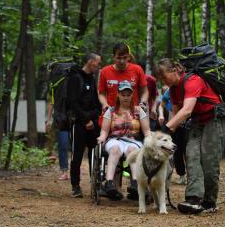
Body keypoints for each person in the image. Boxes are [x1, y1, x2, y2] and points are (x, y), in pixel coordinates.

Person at [155, 58, 225, 214]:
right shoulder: (174, 89)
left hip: (215, 119)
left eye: (164, 76)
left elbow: (187, 110)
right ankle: (193, 199)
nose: (163, 81)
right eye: (160, 79)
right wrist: (169, 138)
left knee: (208, 160)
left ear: (174, 70)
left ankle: (209, 202)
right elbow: (176, 113)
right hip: (196, 122)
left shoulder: (193, 80)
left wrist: (166, 128)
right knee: (192, 154)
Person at [97, 80, 151, 200]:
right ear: (118, 94)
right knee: (115, 149)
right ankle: (109, 182)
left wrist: (149, 139)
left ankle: (135, 183)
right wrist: (102, 137)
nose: (126, 97)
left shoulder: (139, 111)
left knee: (132, 150)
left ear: (132, 95)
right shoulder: (110, 111)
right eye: (123, 94)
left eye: (128, 95)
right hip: (114, 139)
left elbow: (146, 131)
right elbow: (105, 131)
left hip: (133, 140)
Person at [67, 52, 102, 198]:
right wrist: (85, 120)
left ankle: (95, 183)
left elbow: (96, 102)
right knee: (77, 154)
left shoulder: (93, 79)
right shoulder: (75, 78)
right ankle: (75, 185)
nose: (98, 66)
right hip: (79, 124)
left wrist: (93, 119)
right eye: (97, 63)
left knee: (96, 154)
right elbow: (73, 102)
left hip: (93, 124)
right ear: (89, 61)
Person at [98, 43, 149, 111]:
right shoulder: (105, 71)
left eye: (124, 57)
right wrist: (104, 104)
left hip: (133, 115)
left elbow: (145, 91)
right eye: (118, 58)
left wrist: (142, 103)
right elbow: (101, 93)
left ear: (128, 56)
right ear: (113, 57)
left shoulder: (137, 69)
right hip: (111, 114)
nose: (122, 61)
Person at [158, 85, 187, 185]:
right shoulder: (170, 90)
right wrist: (161, 115)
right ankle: (181, 175)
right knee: (177, 152)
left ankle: (191, 177)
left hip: (188, 123)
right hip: (173, 123)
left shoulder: (189, 87)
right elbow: (161, 105)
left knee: (188, 152)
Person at [45, 102, 69, 180]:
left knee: (77, 146)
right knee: (63, 145)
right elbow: (51, 103)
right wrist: (48, 120)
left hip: (76, 119)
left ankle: (76, 172)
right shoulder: (55, 89)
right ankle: (64, 171)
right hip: (61, 120)